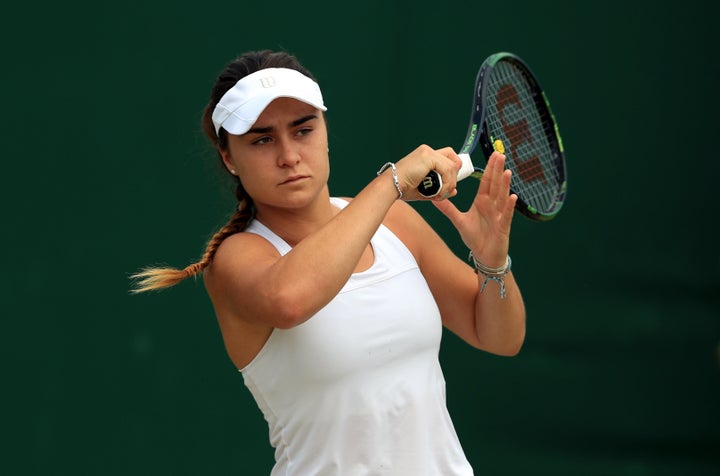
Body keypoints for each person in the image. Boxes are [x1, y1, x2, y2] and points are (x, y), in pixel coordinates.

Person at [131, 49, 526, 475]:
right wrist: (392, 181)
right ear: (229, 157)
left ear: (324, 128)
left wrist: (492, 262)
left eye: (303, 130)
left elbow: (500, 337)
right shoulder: (237, 259)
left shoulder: (394, 220)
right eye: (262, 139)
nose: (288, 155)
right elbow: (291, 300)